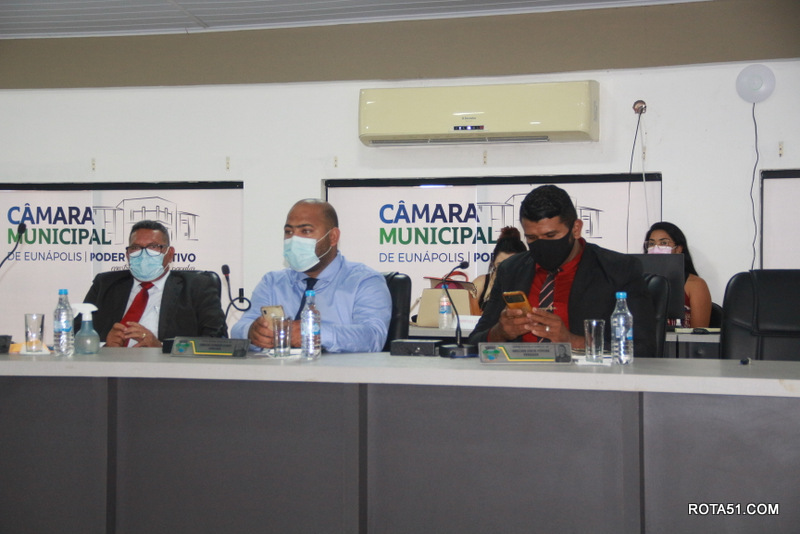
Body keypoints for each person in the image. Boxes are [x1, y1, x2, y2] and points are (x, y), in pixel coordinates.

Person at [468, 184, 656, 356]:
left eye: (551, 235)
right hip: (518, 375)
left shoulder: (618, 270)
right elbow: (474, 342)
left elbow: (644, 349)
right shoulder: (511, 270)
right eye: (532, 238)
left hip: (587, 378)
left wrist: (572, 341)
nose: (542, 245)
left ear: (576, 228)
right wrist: (500, 333)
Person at [231, 199, 391, 353]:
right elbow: (239, 328)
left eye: (305, 231)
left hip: (339, 371)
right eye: (288, 232)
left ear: (333, 237)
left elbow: (373, 336)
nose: (294, 239)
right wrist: (251, 332)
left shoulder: (365, 281)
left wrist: (315, 333)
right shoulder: (272, 282)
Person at [83, 220, 227, 348]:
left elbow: (216, 340)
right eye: (136, 248)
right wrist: (103, 346)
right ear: (127, 255)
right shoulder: (105, 284)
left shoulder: (197, 286)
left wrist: (160, 347)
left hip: (169, 368)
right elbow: (76, 334)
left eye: (153, 247)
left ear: (170, 254)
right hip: (110, 367)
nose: (143, 254)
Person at [644, 221, 712, 328]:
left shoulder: (695, 284)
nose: (656, 248)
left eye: (664, 243)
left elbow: (699, 333)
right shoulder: (639, 282)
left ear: (679, 249)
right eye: (651, 244)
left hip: (682, 339)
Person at [473, 226, 527, 311]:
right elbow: (465, 313)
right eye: (500, 265)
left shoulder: (530, 284)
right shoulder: (482, 282)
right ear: (493, 262)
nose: (505, 270)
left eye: (511, 265)